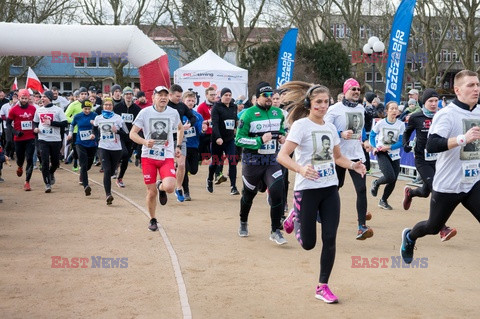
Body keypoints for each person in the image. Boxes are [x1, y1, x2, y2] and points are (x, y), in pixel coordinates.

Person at [277, 82, 366, 303]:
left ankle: (322, 286)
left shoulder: (329, 128)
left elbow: (337, 158)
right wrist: (300, 168)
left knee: (330, 238)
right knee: (308, 244)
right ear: (309, 103)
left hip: (329, 189)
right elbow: (282, 156)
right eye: (318, 102)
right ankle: (294, 215)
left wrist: (353, 165)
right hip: (307, 190)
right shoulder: (300, 126)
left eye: (326, 102)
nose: (323, 106)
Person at [401, 70, 480, 264]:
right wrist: (463, 139)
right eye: (470, 85)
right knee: (433, 227)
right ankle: (410, 236)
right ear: (457, 90)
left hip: (472, 181)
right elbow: (432, 144)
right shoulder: (447, 114)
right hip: (448, 184)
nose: (476, 89)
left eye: (478, 85)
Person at [235, 82, 287, 244]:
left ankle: (275, 231)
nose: (270, 98)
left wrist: (282, 137)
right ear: (257, 98)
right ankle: (243, 221)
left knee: (278, 190)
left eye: (271, 95)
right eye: (266, 95)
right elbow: (238, 139)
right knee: (249, 194)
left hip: (271, 160)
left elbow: (282, 131)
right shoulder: (248, 114)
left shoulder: (278, 113)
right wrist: (259, 140)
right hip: (253, 161)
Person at [402, 88, 457, 241]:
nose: (433, 104)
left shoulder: (443, 116)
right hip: (422, 160)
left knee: (425, 192)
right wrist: (405, 143)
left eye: (435, 101)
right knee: (436, 188)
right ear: (424, 102)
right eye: (430, 101)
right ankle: (442, 227)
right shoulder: (416, 117)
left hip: (439, 160)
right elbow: (407, 132)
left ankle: (410, 193)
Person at [129, 86, 184, 231]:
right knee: (151, 192)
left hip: (166, 155)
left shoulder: (173, 112)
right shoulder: (145, 112)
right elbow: (132, 133)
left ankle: (162, 186)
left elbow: (180, 128)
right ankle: (153, 219)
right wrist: (145, 142)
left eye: (166, 95)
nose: (163, 98)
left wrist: (178, 146)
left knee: (170, 187)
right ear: (153, 97)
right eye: (160, 95)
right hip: (148, 156)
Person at [325, 78, 373, 240]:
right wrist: (340, 134)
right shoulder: (334, 110)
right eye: (353, 89)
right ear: (345, 91)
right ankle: (320, 211)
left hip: (357, 155)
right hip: (339, 156)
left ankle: (362, 227)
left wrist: (365, 142)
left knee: (361, 189)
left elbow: (362, 130)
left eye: (358, 89)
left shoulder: (361, 108)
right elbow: (325, 130)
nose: (356, 92)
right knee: (336, 187)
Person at [370, 101, 405, 210]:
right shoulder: (381, 123)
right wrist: (375, 147)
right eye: (392, 109)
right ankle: (376, 182)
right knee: (390, 177)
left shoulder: (401, 124)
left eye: (396, 109)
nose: (395, 111)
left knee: (393, 180)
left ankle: (383, 200)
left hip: (394, 154)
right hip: (382, 153)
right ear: (387, 111)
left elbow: (401, 142)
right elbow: (372, 135)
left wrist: (389, 147)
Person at [93, 98, 129, 205]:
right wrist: (95, 136)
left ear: (113, 106)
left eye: (110, 105)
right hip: (103, 147)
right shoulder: (98, 118)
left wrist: (117, 131)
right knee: (107, 170)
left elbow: (126, 134)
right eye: (106, 105)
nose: (108, 107)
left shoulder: (118, 119)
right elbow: (94, 128)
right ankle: (108, 194)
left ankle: (115, 176)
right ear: (103, 106)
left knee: (112, 171)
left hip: (116, 149)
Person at [33, 90, 68, 192]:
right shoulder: (39, 110)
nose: (42, 99)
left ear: (50, 98)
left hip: (55, 139)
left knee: (55, 162)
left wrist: (52, 123)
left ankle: (51, 172)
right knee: (44, 162)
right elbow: (35, 122)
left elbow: (64, 123)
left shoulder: (58, 110)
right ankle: (47, 184)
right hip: (43, 139)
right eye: (41, 97)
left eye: (44, 97)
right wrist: (35, 129)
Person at [206, 87, 239, 195]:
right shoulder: (216, 107)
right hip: (218, 140)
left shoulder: (234, 107)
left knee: (232, 161)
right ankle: (210, 179)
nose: (228, 97)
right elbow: (214, 124)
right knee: (215, 162)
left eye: (230, 95)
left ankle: (233, 186)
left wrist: (237, 126)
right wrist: (218, 137)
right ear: (222, 96)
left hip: (230, 140)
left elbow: (235, 121)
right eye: (226, 95)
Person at [168, 84, 197, 202]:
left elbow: (192, 117)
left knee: (181, 165)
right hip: (166, 139)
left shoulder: (181, 106)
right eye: (177, 96)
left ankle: (179, 188)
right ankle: (161, 184)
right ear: (170, 94)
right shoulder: (165, 106)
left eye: (180, 96)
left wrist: (189, 124)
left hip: (180, 138)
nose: (179, 99)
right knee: (168, 164)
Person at [7, 89, 37, 191]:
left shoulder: (33, 109)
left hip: (30, 138)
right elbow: (8, 124)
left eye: (26, 98)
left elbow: (36, 121)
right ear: (19, 98)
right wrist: (15, 132)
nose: (24, 100)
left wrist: (35, 129)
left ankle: (27, 182)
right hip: (19, 138)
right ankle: (19, 166)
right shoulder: (13, 110)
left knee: (29, 159)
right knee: (20, 158)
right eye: (22, 98)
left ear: (29, 98)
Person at [113, 86, 142, 188]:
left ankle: (120, 178)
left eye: (130, 94)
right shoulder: (117, 107)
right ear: (123, 95)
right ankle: (115, 164)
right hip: (119, 135)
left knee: (126, 158)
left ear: (132, 96)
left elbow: (140, 122)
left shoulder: (137, 109)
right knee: (123, 153)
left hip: (131, 137)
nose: (128, 96)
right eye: (126, 94)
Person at [68, 99, 98, 196]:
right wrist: (70, 134)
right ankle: (86, 186)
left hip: (92, 143)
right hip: (80, 143)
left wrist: (94, 130)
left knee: (89, 164)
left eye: (89, 109)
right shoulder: (78, 116)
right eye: (85, 109)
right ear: (82, 108)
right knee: (84, 164)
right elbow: (72, 125)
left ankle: (82, 172)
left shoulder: (94, 115)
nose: (87, 111)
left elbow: (98, 126)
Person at [182, 90, 205, 201]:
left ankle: (180, 171)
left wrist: (202, 129)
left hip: (194, 146)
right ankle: (186, 192)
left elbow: (200, 130)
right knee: (185, 168)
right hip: (182, 145)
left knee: (194, 170)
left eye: (192, 100)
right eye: (188, 100)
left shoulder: (197, 115)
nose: (191, 103)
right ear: (183, 101)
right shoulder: (179, 114)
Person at [65, 87, 89, 171]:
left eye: (85, 94)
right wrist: (75, 121)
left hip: (86, 130)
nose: (83, 96)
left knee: (85, 148)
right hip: (75, 130)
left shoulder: (88, 104)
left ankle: (82, 163)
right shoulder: (73, 104)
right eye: (82, 94)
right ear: (78, 95)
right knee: (75, 148)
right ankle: (75, 161)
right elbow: (66, 116)